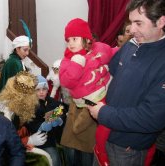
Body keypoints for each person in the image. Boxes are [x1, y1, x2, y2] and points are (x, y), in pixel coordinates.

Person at [87, 0, 165, 165]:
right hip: (105, 134)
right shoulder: (132, 44)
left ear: (161, 22)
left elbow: (152, 118)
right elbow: (110, 72)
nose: (132, 30)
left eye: (138, 23)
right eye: (131, 22)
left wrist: (103, 114)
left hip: (128, 149)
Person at [59, 18, 118, 166]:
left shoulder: (97, 53)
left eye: (74, 39)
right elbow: (66, 82)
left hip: (97, 105)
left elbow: (111, 53)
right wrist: (77, 64)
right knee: (74, 155)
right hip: (79, 111)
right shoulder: (69, 60)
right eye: (68, 40)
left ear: (87, 40)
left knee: (86, 154)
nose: (70, 43)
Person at [0, 71, 53, 165]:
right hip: (5, 155)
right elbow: (4, 143)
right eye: (34, 91)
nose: (37, 94)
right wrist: (28, 140)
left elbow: (23, 127)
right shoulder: (4, 112)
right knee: (44, 159)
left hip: (21, 145)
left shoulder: (19, 107)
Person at [24, 75, 67, 166]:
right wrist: (41, 126)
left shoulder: (53, 102)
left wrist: (60, 120)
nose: (41, 92)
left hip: (58, 137)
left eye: (44, 89)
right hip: (43, 140)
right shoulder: (30, 106)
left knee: (68, 152)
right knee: (54, 158)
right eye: (38, 90)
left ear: (48, 90)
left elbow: (62, 111)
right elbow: (29, 123)